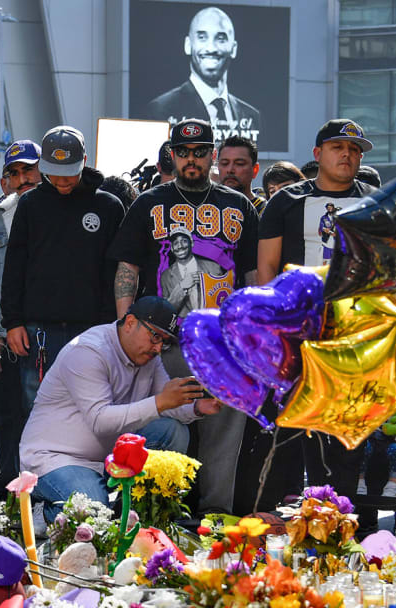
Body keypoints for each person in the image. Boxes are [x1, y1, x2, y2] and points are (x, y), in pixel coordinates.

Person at [108, 118, 258, 514]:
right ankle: (161, 517)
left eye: (200, 152)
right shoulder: (149, 202)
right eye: (183, 152)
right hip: (164, 342)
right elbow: (128, 269)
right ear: (172, 155)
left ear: (212, 155)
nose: (191, 159)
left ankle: (214, 519)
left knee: (224, 433)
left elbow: (253, 276)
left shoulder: (238, 204)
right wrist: (127, 334)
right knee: (164, 427)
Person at [20, 297, 220, 517]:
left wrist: (199, 407)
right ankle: (38, 508)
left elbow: (167, 403)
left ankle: (139, 517)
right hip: (57, 459)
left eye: (164, 341)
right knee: (94, 514)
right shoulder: (88, 351)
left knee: (173, 431)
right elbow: (101, 420)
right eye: (155, 336)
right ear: (131, 322)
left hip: (109, 456)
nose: (158, 348)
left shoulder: (149, 358)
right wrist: (161, 401)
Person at [1, 126, 125, 417]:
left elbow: (118, 273)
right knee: (39, 409)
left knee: (95, 408)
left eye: (68, 171)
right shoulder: (30, 204)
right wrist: (13, 322)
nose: (61, 180)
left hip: (95, 329)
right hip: (39, 330)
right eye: (54, 171)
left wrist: (113, 327)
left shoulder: (108, 206)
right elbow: (15, 266)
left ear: (83, 160)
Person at [0, 140, 42, 499]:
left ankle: (41, 489)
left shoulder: (55, 212)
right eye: (14, 173)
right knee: (6, 415)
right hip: (3, 333)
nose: (22, 178)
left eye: (28, 170)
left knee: (40, 412)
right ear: (4, 181)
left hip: (46, 332)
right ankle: (11, 490)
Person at [258, 119, 377, 280]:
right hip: (300, 302)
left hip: (358, 300)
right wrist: (271, 304)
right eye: (337, 147)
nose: (346, 154)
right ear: (317, 154)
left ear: (360, 157)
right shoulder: (284, 200)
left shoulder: (375, 201)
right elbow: (267, 265)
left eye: (354, 149)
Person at [144, 7, 261, 144]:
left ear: (233, 49)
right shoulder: (161, 110)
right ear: (188, 45)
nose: (211, 48)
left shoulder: (252, 116)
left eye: (221, 39)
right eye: (202, 38)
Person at [217, 135, 262, 211]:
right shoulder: (203, 207)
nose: (230, 169)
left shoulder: (266, 211)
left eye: (239, 163)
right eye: (225, 163)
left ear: (255, 169)